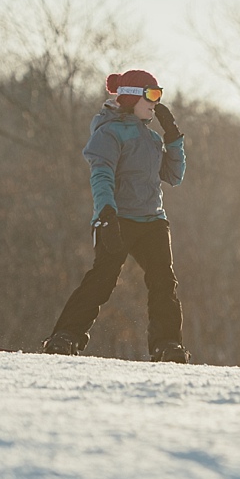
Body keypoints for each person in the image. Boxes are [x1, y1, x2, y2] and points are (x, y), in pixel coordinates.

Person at [42, 69, 190, 363]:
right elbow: (102, 175)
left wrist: (173, 139)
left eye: (159, 94)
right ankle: (65, 336)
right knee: (103, 278)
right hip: (117, 219)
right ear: (132, 97)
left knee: (163, 280)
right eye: (152, 94)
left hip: (152, 220)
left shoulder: (150, 137)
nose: (156, 102)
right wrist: (106, 213)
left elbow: (174, 176)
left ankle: (167, 345)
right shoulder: (108, 132)